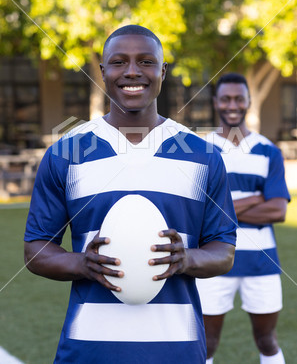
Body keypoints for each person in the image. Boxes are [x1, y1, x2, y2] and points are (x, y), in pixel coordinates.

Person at [24, 25, 237, 364]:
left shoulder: (202, 155)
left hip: (176, 351)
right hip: (88, 352)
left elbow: (224, 251)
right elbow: (35, 250)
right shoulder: (67, 153)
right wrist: (81, 263)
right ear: (103, 71)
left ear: (163, 72)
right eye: (120, 62)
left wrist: (187, 259)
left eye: (146, 61)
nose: (133, 71)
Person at [196, 73, 290, 364]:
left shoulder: (268, 151)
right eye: (226, 99)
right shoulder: (201, 150)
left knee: (267, 341)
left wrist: (223, 208)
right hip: (212, 261)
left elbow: (278, 210)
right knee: (206, 345)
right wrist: (254, 198)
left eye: (239, 98)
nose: (232, 105)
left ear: (249, 101)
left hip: (262, 263)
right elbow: (198, 211)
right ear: (216, 103)